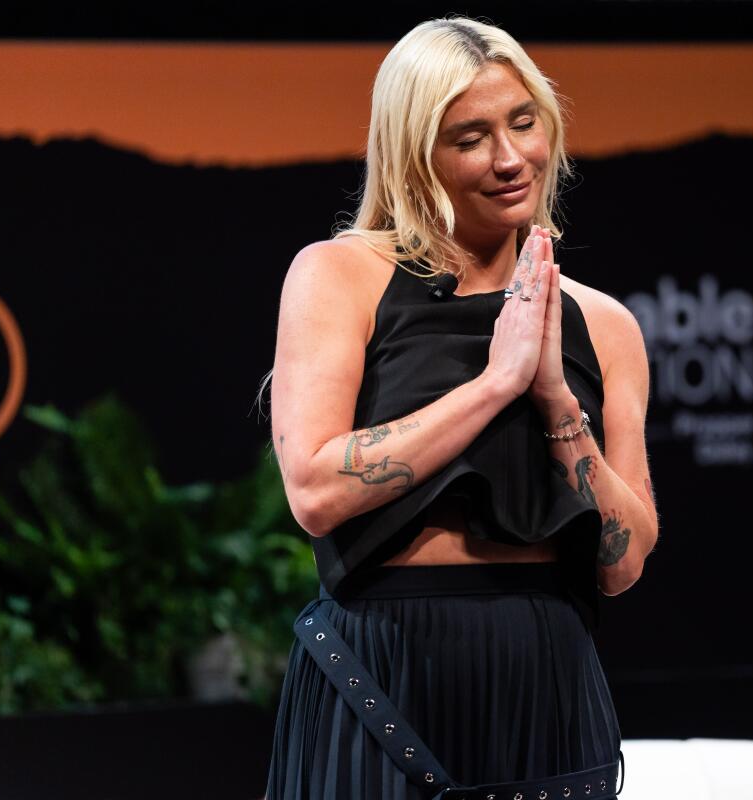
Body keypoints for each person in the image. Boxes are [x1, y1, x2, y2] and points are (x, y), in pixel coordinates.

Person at [262, 16, 658, 800]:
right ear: (415, 153)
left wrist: (552, 398)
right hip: (386, 666)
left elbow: (622, 562)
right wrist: (493, 384)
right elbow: (313, 490)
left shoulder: (603, 323)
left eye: (524, 123)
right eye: (470, 137)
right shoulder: (340, 276)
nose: (511, 159)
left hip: (546, 674)